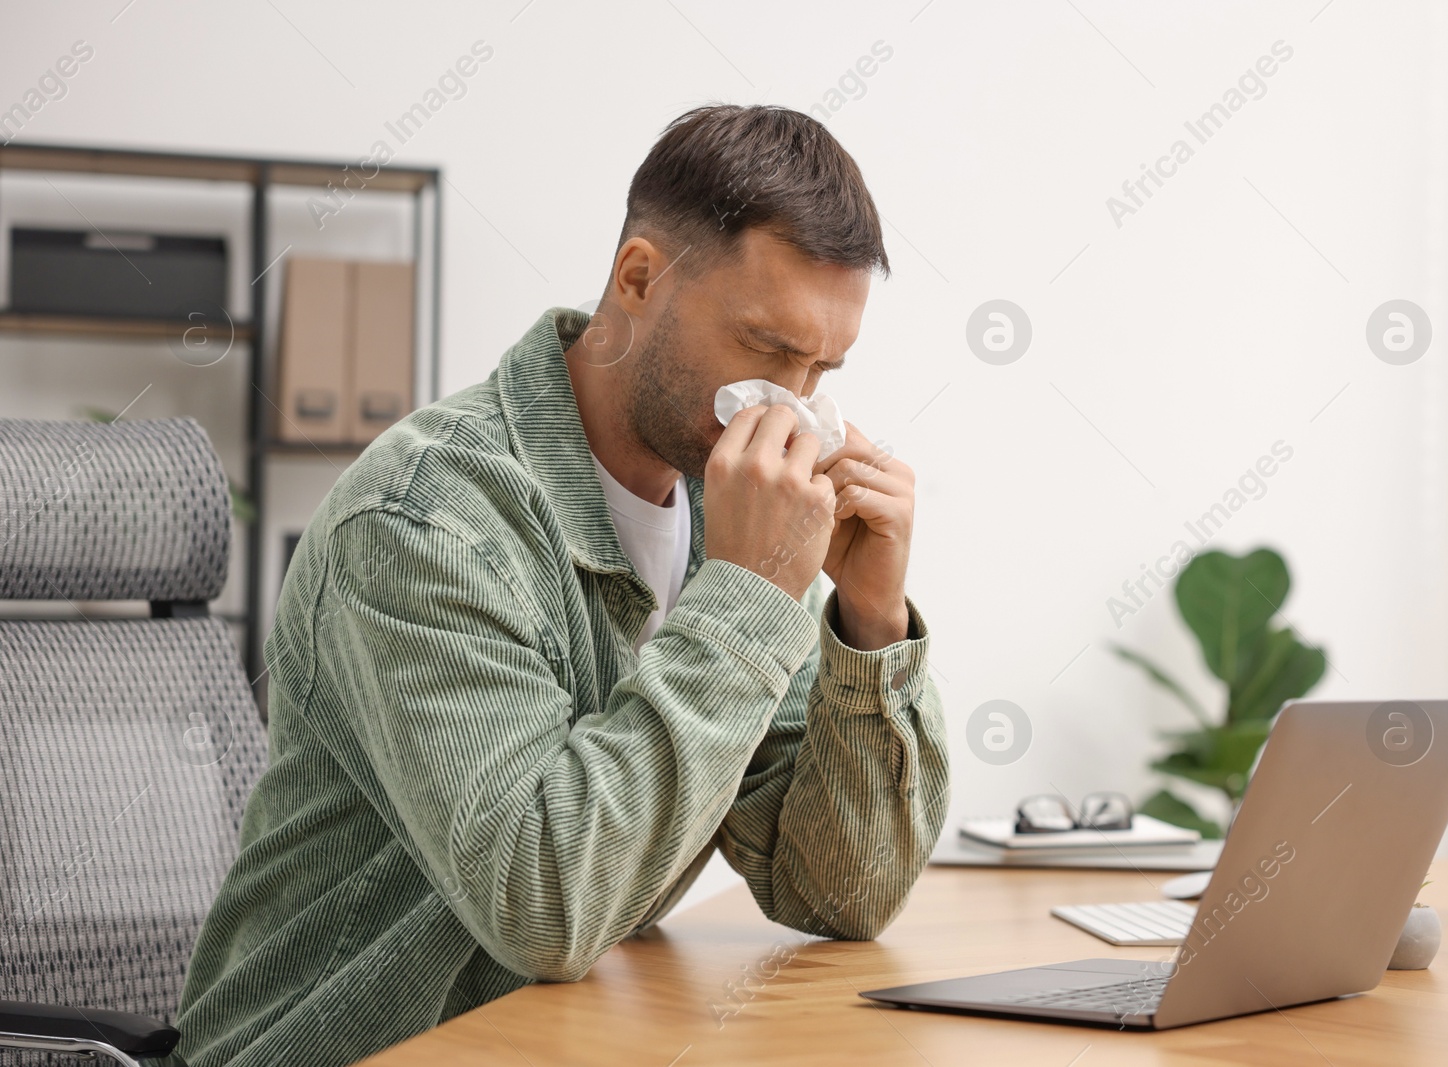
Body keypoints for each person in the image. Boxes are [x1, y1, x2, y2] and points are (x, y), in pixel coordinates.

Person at [164, 103, 950, 1067]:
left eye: (820, 368)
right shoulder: (426, 521)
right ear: (639, 278)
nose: (792, 406)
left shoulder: (721, 515)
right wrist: (749, 597)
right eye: (763, 347)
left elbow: (839, 893)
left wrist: (868, 622)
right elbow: (543, 903)